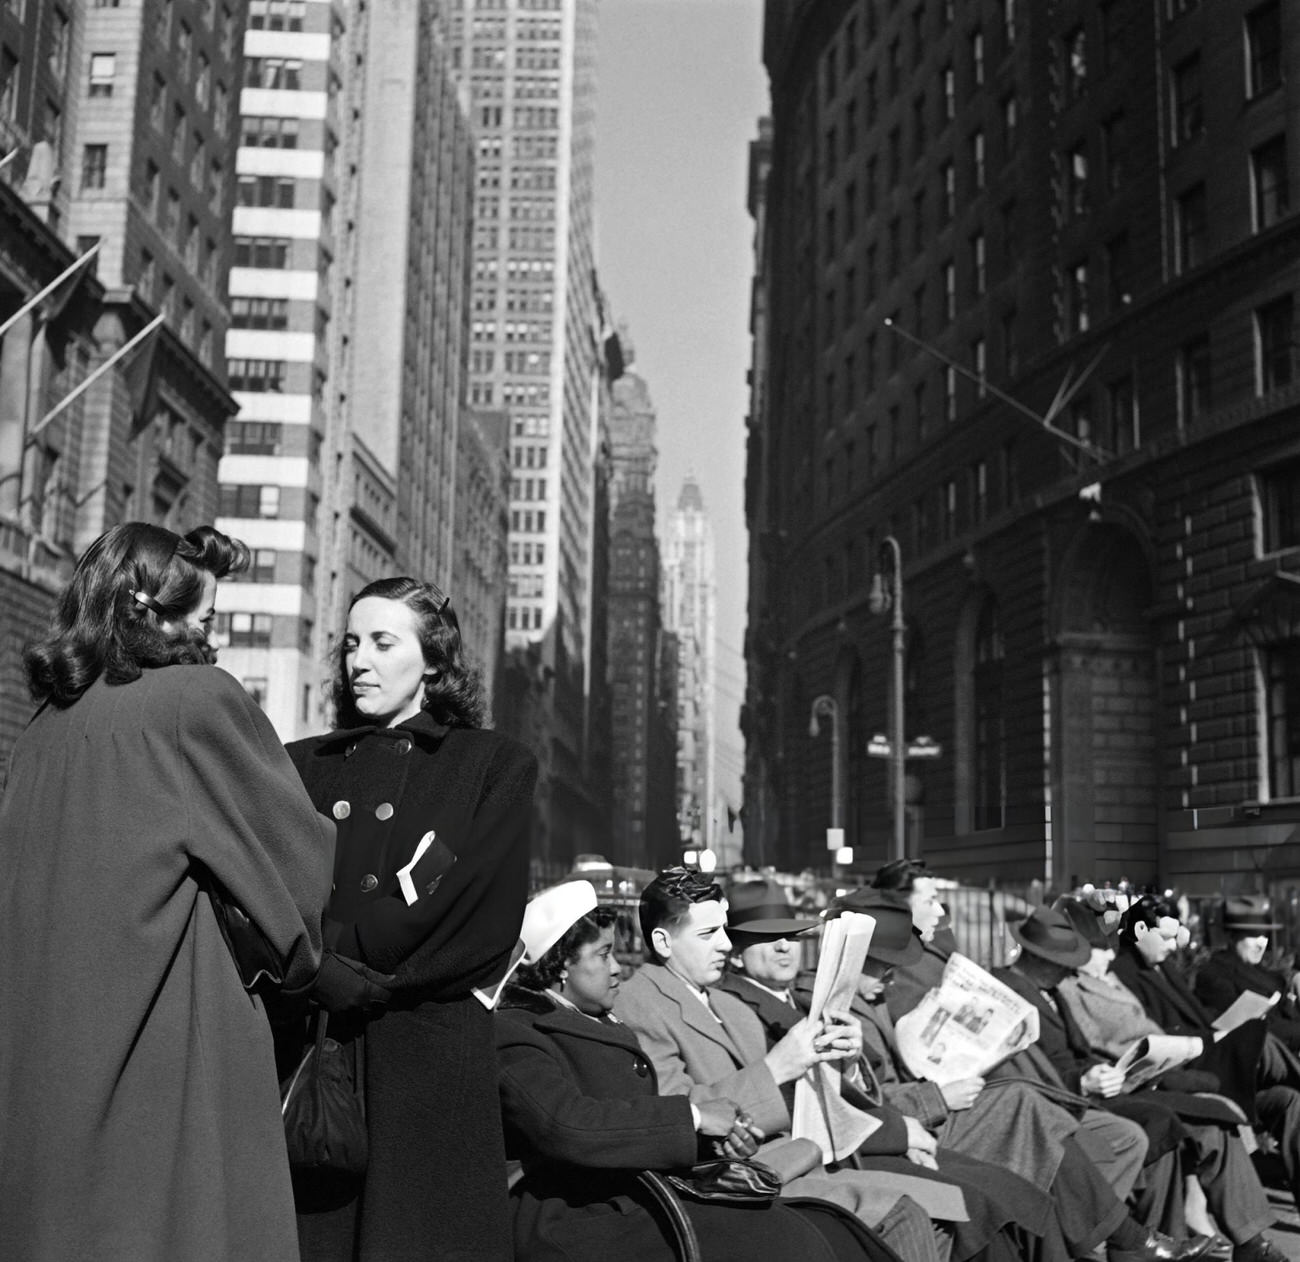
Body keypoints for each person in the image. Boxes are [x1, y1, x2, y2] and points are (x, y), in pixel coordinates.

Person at [0, 522, 334, 1262]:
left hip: (38, 1066)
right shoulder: (195, 703)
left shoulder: (40, 732)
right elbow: (299, 881)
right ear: (149, 612)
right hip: (168, 1048)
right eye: (206, 621)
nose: (214, 641)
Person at [287, 575, 537, 1261]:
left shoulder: (492, 767)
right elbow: (259, 895)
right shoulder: (299, 765)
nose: (358, 660)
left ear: (432, 659)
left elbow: (475, 915)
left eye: (382, 643)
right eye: (350, 644)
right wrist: (315, 974)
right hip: (312, 1056)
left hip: (429, 1066)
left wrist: (338, 956)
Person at [616, 869, 1030, 1262]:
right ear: (663, 942)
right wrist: (778, 1067)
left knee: (958, 1206)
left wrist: (842, 1058)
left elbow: (802, 1100)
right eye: (709, 933)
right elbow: (675, 1114)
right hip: (737, 1182)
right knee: (921, 1211)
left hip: (794, 1159)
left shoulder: (724, 1003)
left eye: (725, 930)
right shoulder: (641, 1003)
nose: (726, 944)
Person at [496, 880, 902, 1262]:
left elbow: (640, 1119)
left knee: (832, 1233)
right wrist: (694, 1119)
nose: (619, 967)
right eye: (604, 955)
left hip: (641, 1190)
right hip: (577, 1213)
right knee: (794, 1238)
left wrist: (717, 1138)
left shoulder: (602, 1019)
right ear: (562, 964)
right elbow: (569, 1126)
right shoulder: (518, 1031)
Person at [1194, 896, 1300, 1052]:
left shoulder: (1268, 975)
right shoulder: (1213, 975)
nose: (1261, 943)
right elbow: (1246, 1029)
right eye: (1253, 935)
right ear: (1231, 937)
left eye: (1264, 935)